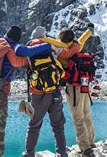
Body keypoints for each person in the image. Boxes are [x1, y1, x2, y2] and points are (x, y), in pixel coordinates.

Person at [0, 2, 52, 157]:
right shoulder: (14, 48)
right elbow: (28, 51)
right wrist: (47, 46)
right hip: (0, 92)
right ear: (18, 38)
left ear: (6, 34)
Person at [22, 26, 69, 157]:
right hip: (55, 93)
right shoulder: (50, 46)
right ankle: (61, 153)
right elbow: (62, 66)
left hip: (38, 94)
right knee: (58, 127)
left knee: (34, 126)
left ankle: (29, 153)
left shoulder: (29, 49)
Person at [55, 26, 95, 156]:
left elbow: (60, 70)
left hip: (73, 86)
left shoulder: (61, 53)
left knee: (78, 118)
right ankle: (91, 142)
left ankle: (85, 148)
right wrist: (89, 30)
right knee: (87, 114)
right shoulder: (77, 46)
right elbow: (83, 38)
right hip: (85, 84)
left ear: (62, 39)